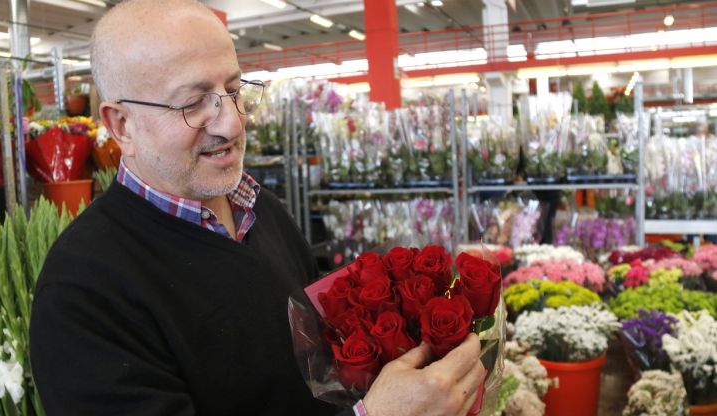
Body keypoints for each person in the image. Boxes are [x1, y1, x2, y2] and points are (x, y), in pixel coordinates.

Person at [29, 1, 485, 415]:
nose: (231, 122)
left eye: (234, 89)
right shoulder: (83, 291)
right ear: (121, 124)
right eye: (193, 103)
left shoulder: (261, 210)